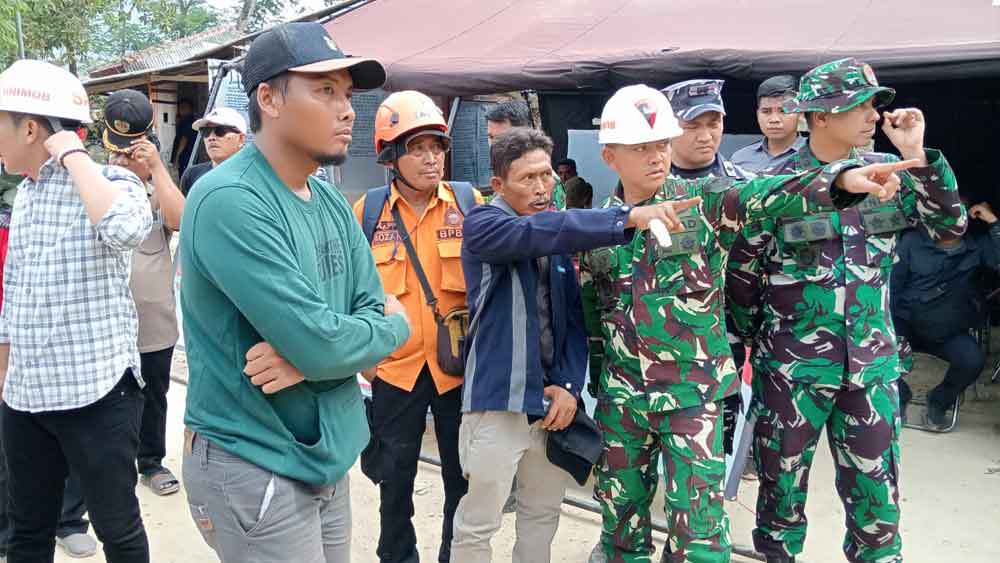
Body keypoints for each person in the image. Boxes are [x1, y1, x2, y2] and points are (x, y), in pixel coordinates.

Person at [579, 84, 916, 563]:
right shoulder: (597, 228)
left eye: (661, 144)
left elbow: (769, 193)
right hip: (622, 401)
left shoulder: (706, 202)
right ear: (610, 157)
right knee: (620, 528)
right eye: (640, 148)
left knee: (700, 538)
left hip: (692, 398)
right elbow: (592, 317)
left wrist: (838, 180)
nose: (656, 156)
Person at [179, 22, 410, 563]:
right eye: (325, 90)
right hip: (255, 457)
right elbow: (342, 336)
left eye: (347, 94)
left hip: (326, 452)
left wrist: (313, 356)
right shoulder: (230, 200)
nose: (347, 111)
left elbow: (354, 322)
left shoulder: (329, 202)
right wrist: (372, 334)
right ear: (269, 98)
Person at [726, 58, 966, 563]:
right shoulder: (776, 185)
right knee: (779, 503)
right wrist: (755, 342)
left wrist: (917, 156)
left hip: (871, 371)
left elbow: (950, 230)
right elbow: (743, 276)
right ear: (819, 116)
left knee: (878, 510)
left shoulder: (889, 174)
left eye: (875, 104)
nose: (874, 115)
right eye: (859, 106)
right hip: (792, 373)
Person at [452, 126, 689, 563]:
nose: (542, 187)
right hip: (498, 400)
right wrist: (628, 217)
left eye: (546, 175)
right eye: (528, 178)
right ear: (499, 184)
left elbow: (575, 323)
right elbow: (536, 233)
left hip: (552, 407)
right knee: (478, 523)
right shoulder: (483, 225)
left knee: (541, 514)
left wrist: (568, 387)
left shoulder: (560, 240)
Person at [0, 59, 153, 563]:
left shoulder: (113, 181)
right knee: (27, 530)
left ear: (30, 128)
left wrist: (72, 153)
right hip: (27, 397)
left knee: (118, 531)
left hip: (97, 394)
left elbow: (125, 230)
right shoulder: (26, 194)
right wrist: (4, 377)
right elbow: (15, 291)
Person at [352, 90, 481, 563]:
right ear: (390, 156)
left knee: (462, 480)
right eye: (417, 148)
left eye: (437, 147)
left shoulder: (467, 203)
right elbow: (350, 292)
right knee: (394, 481)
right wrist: (367, 362)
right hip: (395, 373)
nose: (432, 159)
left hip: (457, 371)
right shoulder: (367, 213)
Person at [0, 164, 98, 561]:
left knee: (67, 429)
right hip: (11, 329)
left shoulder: (38, 187)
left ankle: (69, 520)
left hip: (40, 331)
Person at [661, 78, 752, 464]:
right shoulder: (646, 189)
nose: (705, 135)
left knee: (712, 449)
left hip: (724, 341)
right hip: (661, 341)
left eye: (714, 123)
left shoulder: (746, 187)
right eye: (692, 125)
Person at [102, 89, 186, 497]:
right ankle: (108, 470)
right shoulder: (97, 186)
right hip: (104, 322)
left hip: (152, 322)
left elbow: (180, 220)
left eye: (131, 151)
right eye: (116, 151)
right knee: (104, 401)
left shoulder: (158, 189)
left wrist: (157, 170)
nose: (122, 160)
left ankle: (150, 462)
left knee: (154, 395)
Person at [892, 201, 1000, 430]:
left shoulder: (978, 247)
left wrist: (993, 223)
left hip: (946, 330)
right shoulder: (912, 241)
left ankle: (939, 402)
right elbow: (892, 288)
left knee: (972, 361)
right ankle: (899, 395)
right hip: (906, 321)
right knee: (872, 347)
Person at [485, 99, 566, 210]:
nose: (494, 145)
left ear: (525, 134)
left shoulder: (549, 183)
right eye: (491, 137)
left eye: (502, 138)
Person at [731, 75, 807, 174]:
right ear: (758, 114)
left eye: (783, 111)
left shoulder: (817, 154)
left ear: (800, 113)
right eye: (766, 111)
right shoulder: (740, 159)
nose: (774, 119)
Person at [179, 106, 247, 195]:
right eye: (205, 131)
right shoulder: (192, 175)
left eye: (221, 131)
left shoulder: (253, 178)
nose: (211, 137)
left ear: (241, 138)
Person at [171, 99, 197, 178]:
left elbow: (184, 140)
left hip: (185, 156)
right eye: (180, 108)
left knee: (184, 177)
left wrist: (176, 158)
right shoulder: (186, 121)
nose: (181, 110)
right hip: (189, 156)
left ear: (191, 109)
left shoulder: (187, 121)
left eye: (184, 107)